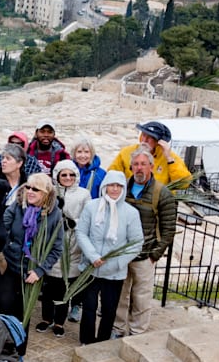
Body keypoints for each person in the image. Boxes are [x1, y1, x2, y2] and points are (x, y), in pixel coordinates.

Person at [74, 173, 143, 345]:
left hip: (114, 272)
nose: (114, 189)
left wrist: (117, 263)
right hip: (90, 268)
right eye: (111, 185)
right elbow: (81, 232)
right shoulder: (91, 207)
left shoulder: (131, 213)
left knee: (109, 309)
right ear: (105, 186)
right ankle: (86, 340)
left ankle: (102, 341)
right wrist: (92, 256)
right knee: (89, 307)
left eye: (118, 186)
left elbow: (136, 243)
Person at [118, 151, 177, 336]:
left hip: (145, 255)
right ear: (131, 167)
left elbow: (168, 228)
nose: (139, 168)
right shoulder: (121, 188)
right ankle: (117, 328)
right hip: (120, 253)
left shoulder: (162, 193)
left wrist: (155, 255)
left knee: (141, 297)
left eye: (144, 164)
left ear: (151, 166)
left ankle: (137, 331)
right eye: (136, 164)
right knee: (120, 295)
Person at [0, 173, 64, 321]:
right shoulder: (18, 205)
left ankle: (19, 343)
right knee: (5, 306)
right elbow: (2, 228)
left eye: (35, 189)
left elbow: (57, 247)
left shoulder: (55, 215)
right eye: (28, 187)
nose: (30, 191)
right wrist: (8, 248)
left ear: (45, 193)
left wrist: (40, 270)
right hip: (11, 265)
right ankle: (4, 341)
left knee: (23, 314)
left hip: (32, 271)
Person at [36, 160, 89, 337]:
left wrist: (74, 223)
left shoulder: (83, 194)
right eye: (63, 174)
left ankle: (59, 321)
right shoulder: (51, 192)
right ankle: (46, 318)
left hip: (72, 245)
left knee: (64, 287)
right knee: (49, 286)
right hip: (51, 243)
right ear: (57, 175)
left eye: (71, 174)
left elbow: (88, 218)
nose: (67, 178)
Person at [110, 121, 191, 186]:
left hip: (158, 203)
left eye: (150, 137)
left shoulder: (170, 157)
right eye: (144, 135)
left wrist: (170, 160)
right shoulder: (126, 152)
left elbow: (184, 184)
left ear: (159, 141)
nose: (144, 140)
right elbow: (111, 175)